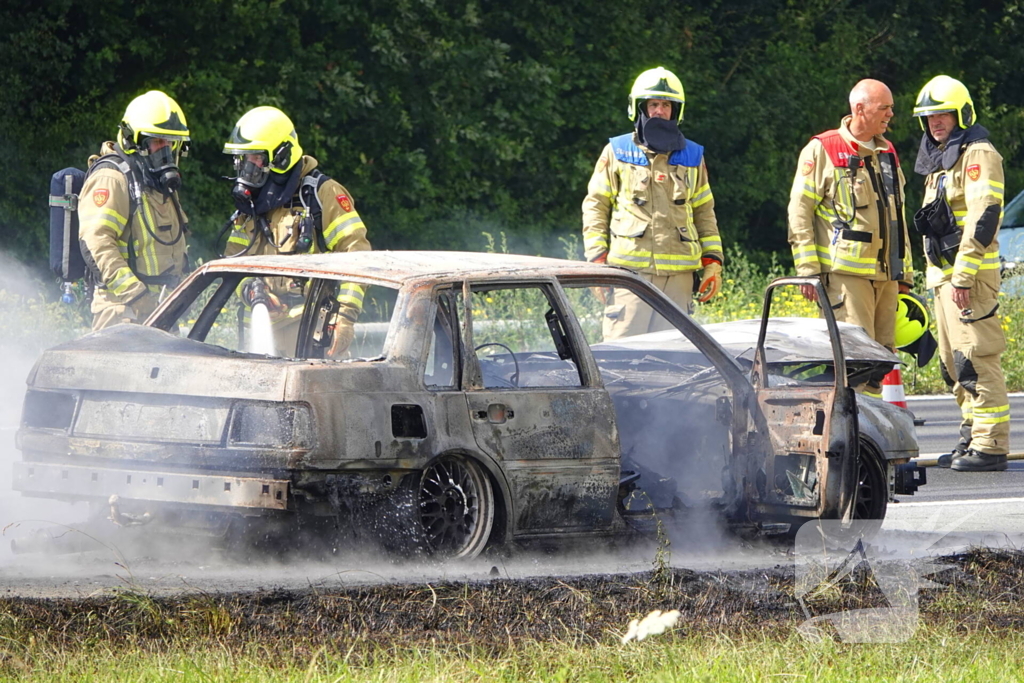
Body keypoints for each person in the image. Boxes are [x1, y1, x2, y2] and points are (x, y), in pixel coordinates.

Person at [787, 79, 914, 396]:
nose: (890, 115)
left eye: (891, 109)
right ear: (860, 108)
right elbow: (799, 211)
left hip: (885, 277)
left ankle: (866, 434)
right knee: (853, 360)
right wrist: (808, 271)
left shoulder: (887, 151)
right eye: (884, 108)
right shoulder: (823, 148)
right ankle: (848, 438)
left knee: (879, 362)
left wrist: (905, 274)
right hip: (846, 276)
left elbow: (897, 215)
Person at [582, 66, 724, 340]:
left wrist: (713, 261)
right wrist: (597, 263)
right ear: (640, 108)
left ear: (676, 111)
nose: (660, 111)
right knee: (621, 355)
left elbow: (705, 212)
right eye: (654, 104)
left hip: (680, 278)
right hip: (629, 276)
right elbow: (595, 206)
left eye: (666, 105)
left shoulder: (693, 156)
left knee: (672, 359)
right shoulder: (617, 151)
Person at [912, 75, 1009, 471]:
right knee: (954, 364)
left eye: (943, 115)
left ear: (962, 114)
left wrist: (965, 275)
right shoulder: (943, 158)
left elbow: (984, 218)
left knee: (977, 358)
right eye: (929, 117)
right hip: (944, 278)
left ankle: (991, 446)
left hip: (968, 278)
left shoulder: (978, 154)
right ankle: (971, 436)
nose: (935, 123)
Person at [222, 106, 371, 357]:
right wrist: (250, 288)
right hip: (256, 345)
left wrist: (344, 318)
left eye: (256, 158)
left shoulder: (322, 195)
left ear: (281, 156)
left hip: (312, 339)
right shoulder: (252, 205)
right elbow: (231, 265)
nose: (249, 168)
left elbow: (357, 257)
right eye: (244, 159)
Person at [78, 90, 191, 331]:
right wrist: (137, 297)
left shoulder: (157, 183)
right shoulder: (112, 178)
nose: (165, 150)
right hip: (122, 313)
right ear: (133, 141)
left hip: (160, 310)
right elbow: (96, 242)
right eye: (157, 142)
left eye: (170, 143)